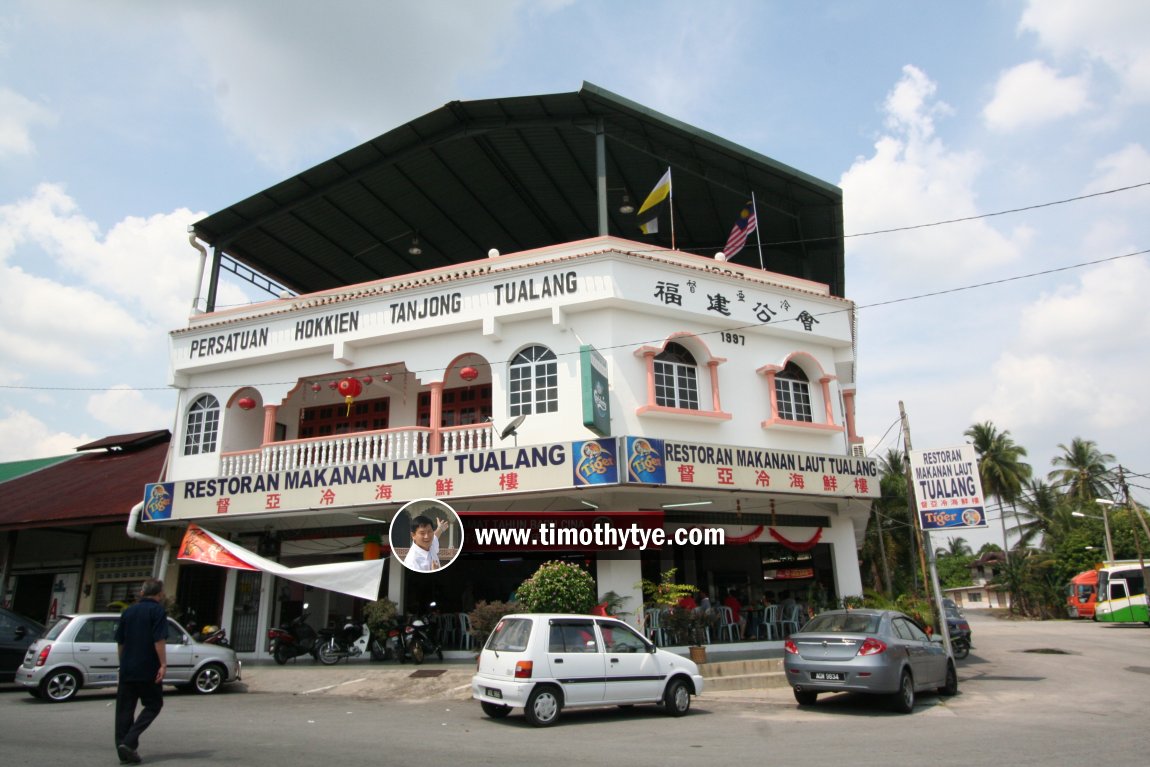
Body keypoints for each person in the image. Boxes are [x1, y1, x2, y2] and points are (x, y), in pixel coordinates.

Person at [114, 578, 168, 764]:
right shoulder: (157, 611)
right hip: (148, 668)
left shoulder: (128, 612)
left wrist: (122, 664)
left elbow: (120, 642)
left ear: (142, 593)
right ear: (159, 594)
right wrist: (163, 664)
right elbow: (158, 640)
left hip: (128, 668)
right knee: (154, 704)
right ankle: (129, 743)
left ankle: (123, 747)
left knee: (124, 710)